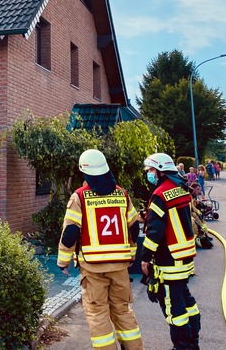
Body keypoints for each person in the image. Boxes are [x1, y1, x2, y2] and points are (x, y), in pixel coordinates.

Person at [57, 149, 144, 350]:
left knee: (98, 314)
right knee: (122, 310)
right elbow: (134, 227)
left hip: (93, 267)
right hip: (120, 267)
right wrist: (131, 255)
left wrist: (63, 261)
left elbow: (70, 232)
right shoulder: (122, 194)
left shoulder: (79, 197)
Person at [141, 153, 200, 350]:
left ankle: (181, 346)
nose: (149, 174)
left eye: (150, 170)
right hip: (185, 254)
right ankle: (193, 342)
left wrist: (145, 258)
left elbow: (155, 232)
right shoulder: (181, 188)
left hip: (169, 259)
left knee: (173, 306)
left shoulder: (160, 194)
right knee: (186, 299)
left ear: (159, 170)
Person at [189, 183, 214, 249]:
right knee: (196, 222)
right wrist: (197, 211)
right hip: (190, 213)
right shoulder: (190, 196)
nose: (199, 191)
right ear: (193, 189)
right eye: (197, 189)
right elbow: (191, 206)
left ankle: (205, 235)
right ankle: (198, 238)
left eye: (200, 189)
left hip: (192, 212)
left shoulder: (194, 196)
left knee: (202, 220)